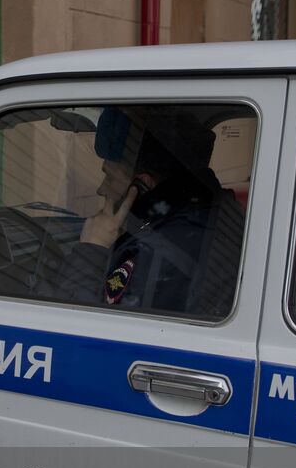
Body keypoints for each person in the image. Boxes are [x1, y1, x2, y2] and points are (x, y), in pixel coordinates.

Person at [56, 107, 241, 316]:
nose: (101, 188)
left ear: (141, 185)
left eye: (109, 176)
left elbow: (84, 331)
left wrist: (91, 249)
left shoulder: (155, 251)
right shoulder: (204, 215)